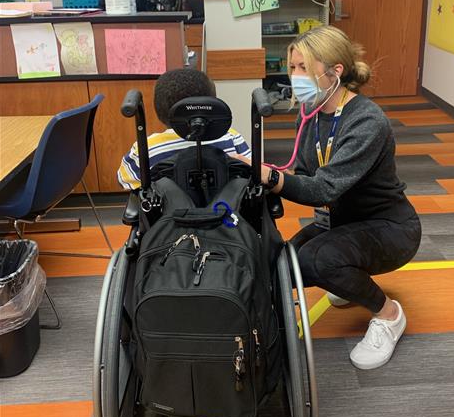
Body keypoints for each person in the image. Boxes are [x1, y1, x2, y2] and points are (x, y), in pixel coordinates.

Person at [259, 26, 421, 370]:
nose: (294, 76)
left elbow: (323, 189)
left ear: (335, 72)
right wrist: (269, 179)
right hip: (342, 220)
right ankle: (348, 281)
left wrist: (271, 178)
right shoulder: (314, 116)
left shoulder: (367, 121)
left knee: (321, 260)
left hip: (390, 228)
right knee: (288, 263)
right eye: (292, 67)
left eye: (303, 67)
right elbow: (304, 174)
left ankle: (389, 315)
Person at [117, 68, 251, 190]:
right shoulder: (231, 137)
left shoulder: (146, 147)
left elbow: (125, 181)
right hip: (228, 211)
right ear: (211, 105)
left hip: (169, 215)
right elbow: (252, 172)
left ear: (158, 109)